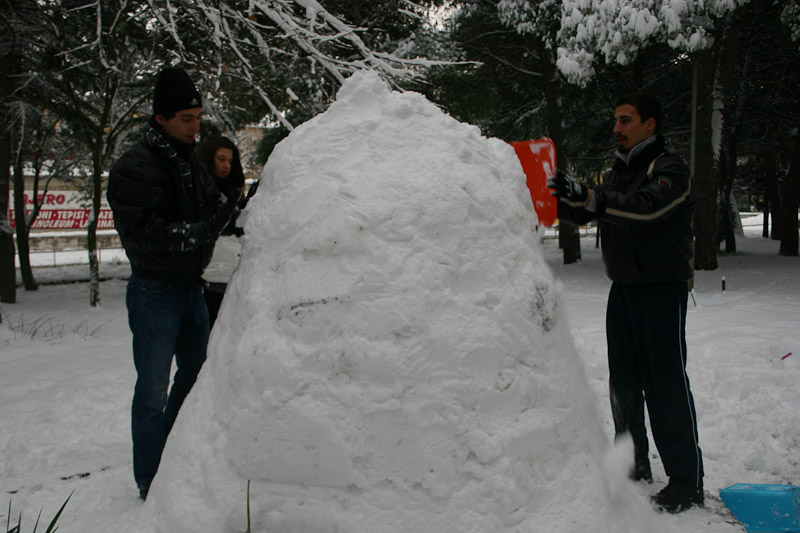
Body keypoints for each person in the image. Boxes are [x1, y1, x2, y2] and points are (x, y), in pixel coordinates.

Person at [547, 92, 704, 513]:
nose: (616, 128)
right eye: (616, 120)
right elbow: (593, 211)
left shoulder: (670, 168)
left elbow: (646, 209)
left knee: (664, 383)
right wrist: (556, 199)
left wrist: (592, 197)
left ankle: (687, 481)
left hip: (660, 290)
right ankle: (633, 462)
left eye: (625, 120)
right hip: (624, 289)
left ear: (649, 124)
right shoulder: (621, 171)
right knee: (624, 381)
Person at [107, 67, 241, 500]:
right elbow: (145, 231)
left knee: (200, 375)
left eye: (198, 116)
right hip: (155, 293)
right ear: (161, 118)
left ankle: (173, 454)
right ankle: (150, 480)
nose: (195, 126)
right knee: (151, 393)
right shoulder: (135, 167)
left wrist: (237, 202)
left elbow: (215, 206)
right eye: (186, 118)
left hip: (192, 292)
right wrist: (201, 231)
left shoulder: (191, 164)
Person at [197, 136, 246, 326]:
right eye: (221, 159)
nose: (226, 165)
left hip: (231, 275)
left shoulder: (232, 191)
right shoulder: (199, 192)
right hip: (210, 278)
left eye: (230, 161)